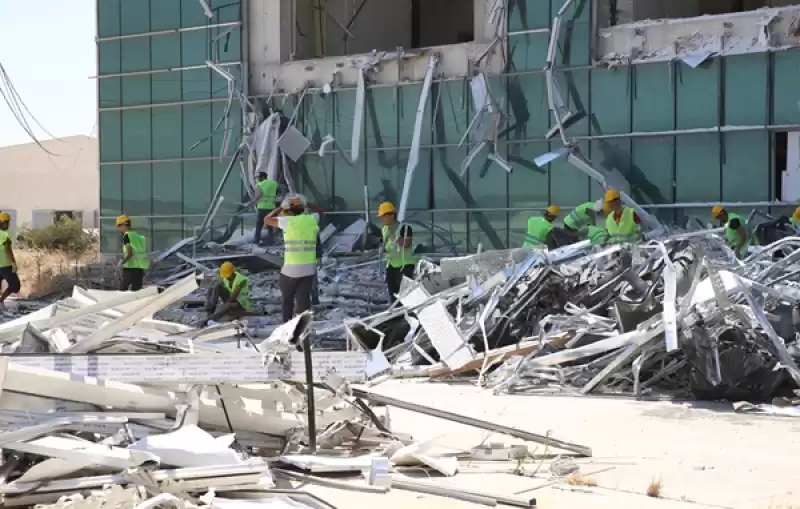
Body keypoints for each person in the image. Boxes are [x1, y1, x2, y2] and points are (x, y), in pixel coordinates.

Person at [264, 195, 320, 322]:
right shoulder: (312, 219)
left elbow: (267, 220)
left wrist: (280, 207)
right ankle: (304, 333)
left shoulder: (287, 221)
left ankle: (287, 329)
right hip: (309, 269)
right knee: (303, 301)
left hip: (290, 269)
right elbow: (319, 210)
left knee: (287, 300)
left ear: (288, 210)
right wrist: (306, 202)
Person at [377, 201, 416, 303]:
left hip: (405, 264)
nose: (381, 219)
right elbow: (383, 244)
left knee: (404, 293)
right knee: (392, 292)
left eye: (383, 216)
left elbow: (406, 244)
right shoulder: (384, 229)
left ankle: (406, 313)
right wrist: (381, 250)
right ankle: (396, 314)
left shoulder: (404, 228)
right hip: (391, 264)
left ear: (391, 215)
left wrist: (393, 236)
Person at [116, 215, 150, 291]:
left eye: (118, 226)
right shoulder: (140, 237)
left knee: (122, 291)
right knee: (136, 293)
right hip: (140, 268)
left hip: (130, 268)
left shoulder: (127, 236)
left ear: (123, 225)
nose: (117, 229)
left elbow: (129, 253)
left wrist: (121, 263)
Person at [0, 212, 20, 311]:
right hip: (5, 265)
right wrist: (13, 263)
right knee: (15, 285)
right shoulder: (5, 234)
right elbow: (8, 250)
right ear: (2, 222)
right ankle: (1, 301)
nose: (8, 225)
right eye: (7, 222)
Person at [253, 172, 278, 246]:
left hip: (262, 208)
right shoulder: (274, 183)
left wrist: (253, 202)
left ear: (263, 177)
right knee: (270, 226)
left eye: (258, 177)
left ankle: (256, 241)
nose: (257, 179)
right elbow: (282, 188)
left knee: (259, 225)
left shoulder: (259, 185)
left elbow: (257, 196)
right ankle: (270, 241)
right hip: (271, 208)